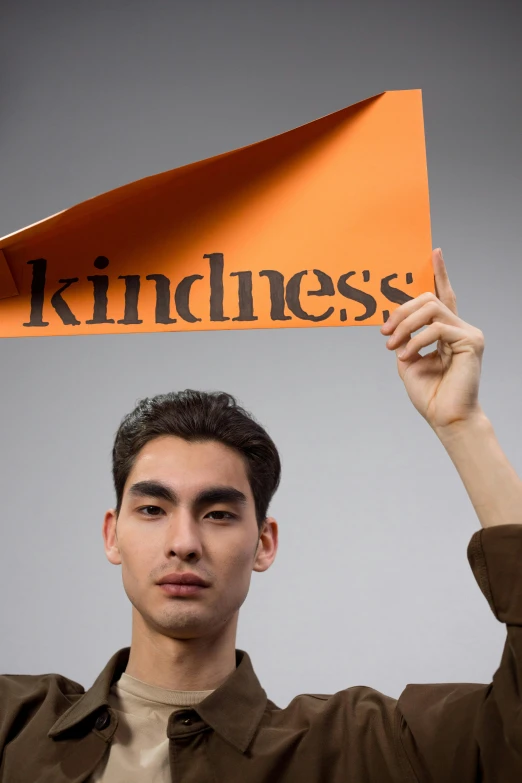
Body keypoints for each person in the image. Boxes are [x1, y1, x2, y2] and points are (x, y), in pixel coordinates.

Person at [1, 248, 521, 783]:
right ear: (113, 535)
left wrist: (464, 425)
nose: (183, 542)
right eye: (153, 509)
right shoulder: (13, 723)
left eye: (219, 514)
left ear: (264, 543)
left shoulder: (355, 746)